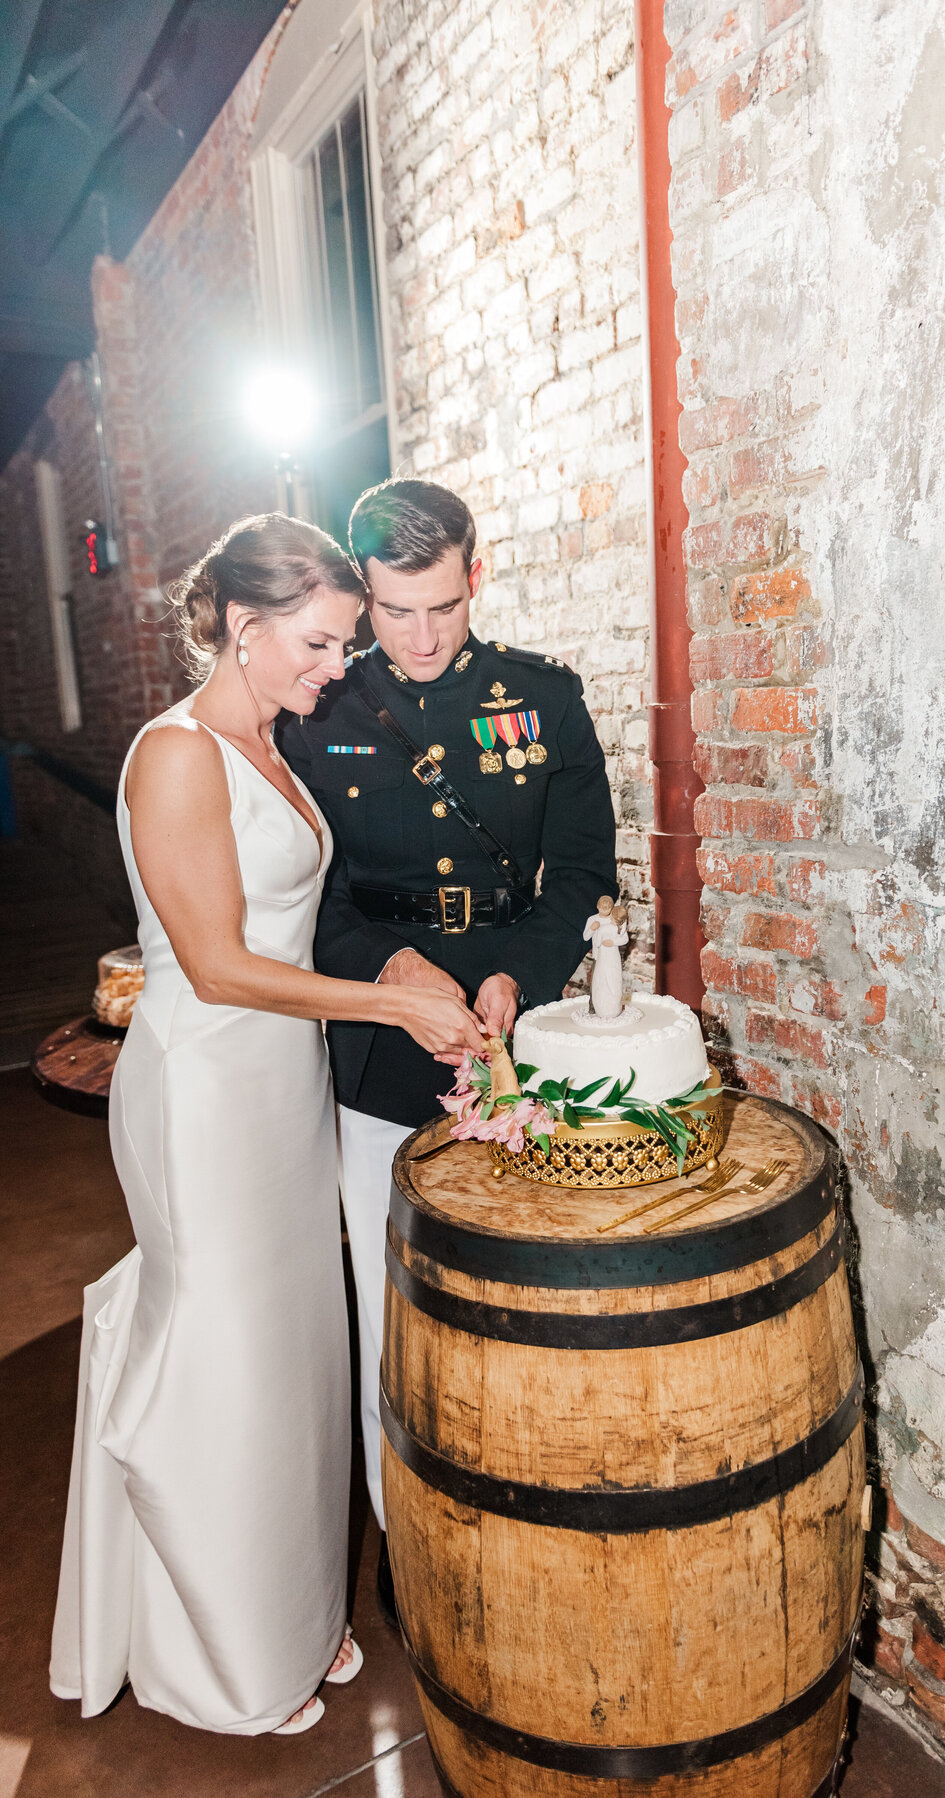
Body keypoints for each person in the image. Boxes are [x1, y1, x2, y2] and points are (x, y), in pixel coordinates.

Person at [49, 514, 483, 1737]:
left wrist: (388, 976)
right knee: (227, 1363)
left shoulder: (274, 741)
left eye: (345, 642)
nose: (338, 664)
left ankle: (287, 1611)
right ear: (243, 628)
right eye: (320, 640)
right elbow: (221, 966)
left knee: (294, 1360)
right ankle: (225, 1661)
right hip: (205, 1092)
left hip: (279, 1087)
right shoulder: (177, 755)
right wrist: (388, 1005)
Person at [278, 478, 618, 1620]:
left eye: (441, 607)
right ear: (362, 595)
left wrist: (512, 972)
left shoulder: (543, 699)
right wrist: (387, 968)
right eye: (392, 611)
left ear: (477, 571)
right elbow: (295, 887)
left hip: (513, 1034)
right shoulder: (318, 704)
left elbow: (576, 872)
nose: (419, 640)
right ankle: (409, 1549)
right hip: (377, 1050)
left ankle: (533, 1529)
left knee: (526, 1296)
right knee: (395, 1304)